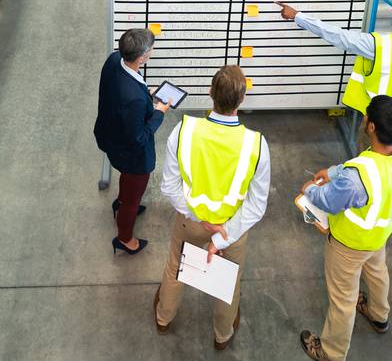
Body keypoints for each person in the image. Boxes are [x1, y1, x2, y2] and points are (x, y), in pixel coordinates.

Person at [154, 64, 269, 351]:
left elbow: (168, 186)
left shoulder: (184, 131)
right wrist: (220, 236)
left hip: (190, 223)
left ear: (210, 93)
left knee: (175, 268)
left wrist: (198, 217)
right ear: (242, 100)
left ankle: (163, 317)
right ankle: (222, 335)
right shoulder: (257, 145)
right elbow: (256, 206)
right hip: (232, 229)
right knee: (228, 284)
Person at [297, 95, 392, 361]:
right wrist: (334, 171)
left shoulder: (357, 179)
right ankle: (378, 315)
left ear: (371, 127)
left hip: (348, 244)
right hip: (379, 235)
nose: (364, 119)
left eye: (367, 116)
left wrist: (309, 190)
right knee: (377, 273)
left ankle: (330, 352)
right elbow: (365, 165)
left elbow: (328, 200)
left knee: (343, 299)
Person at [278, 0, 392, 125]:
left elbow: (338, 36)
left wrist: (297, 16)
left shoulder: (380, 45)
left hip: (379, 121)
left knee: (369, 159)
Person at [93, 28, 170, 255]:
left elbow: (121, 88)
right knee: (134, 198)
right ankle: (125, 238)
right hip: (132, 155)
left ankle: (120, 202)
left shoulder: (114, 59)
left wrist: (146, 92)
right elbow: (138, 138)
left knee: (127, 183)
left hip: (110, 136)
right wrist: (159, 112)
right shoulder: (134, 100)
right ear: (142, 57)